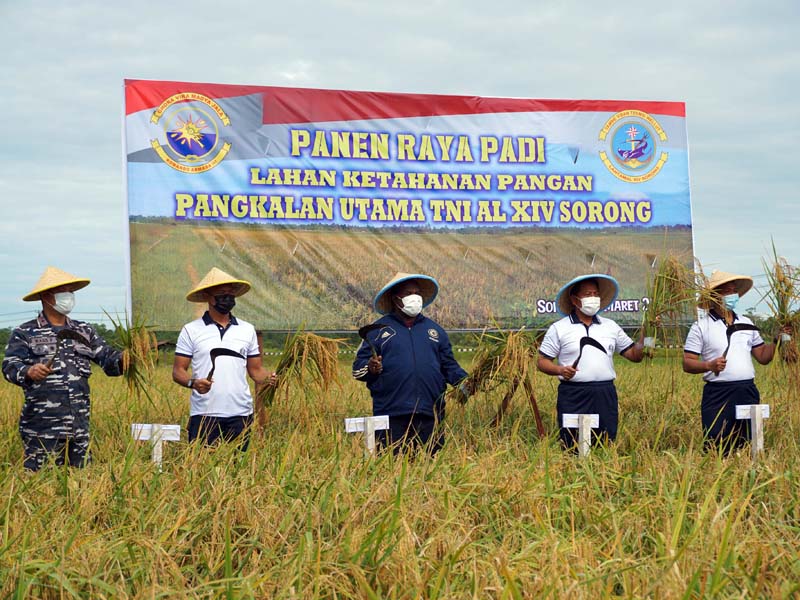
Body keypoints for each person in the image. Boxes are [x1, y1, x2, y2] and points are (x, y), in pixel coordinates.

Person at [2, 266, 125, 471]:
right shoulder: (25, 332)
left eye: (71, 291)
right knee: (42, 490)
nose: (68, 296)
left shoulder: (84, 330)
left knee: (82, 488)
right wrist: (29, 371)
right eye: (62, 291)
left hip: (78, 429)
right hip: (42, 430)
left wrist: (131, 356)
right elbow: (9, 366)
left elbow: (109, 362)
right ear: (45, 296)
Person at [352, 272, 469, 456]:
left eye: (417, 293)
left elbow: (449, 366)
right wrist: (371, 368)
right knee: (392, 466)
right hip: (391, 414)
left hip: (430, 413)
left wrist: (466, 382)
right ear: (395, 298)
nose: (414, 297)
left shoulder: (435, 331)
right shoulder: (376, 331)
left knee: (429, 468)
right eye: (408, 293)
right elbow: (358, 369)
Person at [172, 267, 276, 450]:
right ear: (208, 296)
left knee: (239, 472)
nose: (227, 298)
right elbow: (178, 371)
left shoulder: (247, 329)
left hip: (241, 414)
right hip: (204, 413)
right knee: (200, 470)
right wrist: (193, 383)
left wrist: (270, 378)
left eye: (230, 294)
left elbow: (256, 370)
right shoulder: (191, 330)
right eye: (221, 294)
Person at [537, 274, 645, 449]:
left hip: (605, 393)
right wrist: (560, 370)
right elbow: (542, 361)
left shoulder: (610, 326)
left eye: (596, 294)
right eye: (588, 294)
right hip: (573, 394)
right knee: (571, 445)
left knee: (605, 443)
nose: (593, 298)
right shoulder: (559, 328)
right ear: (574, 299)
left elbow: (634, 354)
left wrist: (647, 337)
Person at [682, 270, 780, 452]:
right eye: (727, 291)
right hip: (718, 394)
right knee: (716, 444)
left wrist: (776, 340)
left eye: (734, 290)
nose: (732, 295)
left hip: (747, 390)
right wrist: (709, 365)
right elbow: (687, 363)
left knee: (748, 444)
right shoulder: (701, 327)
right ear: (714, 295)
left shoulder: (746, 323)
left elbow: (763, 357)